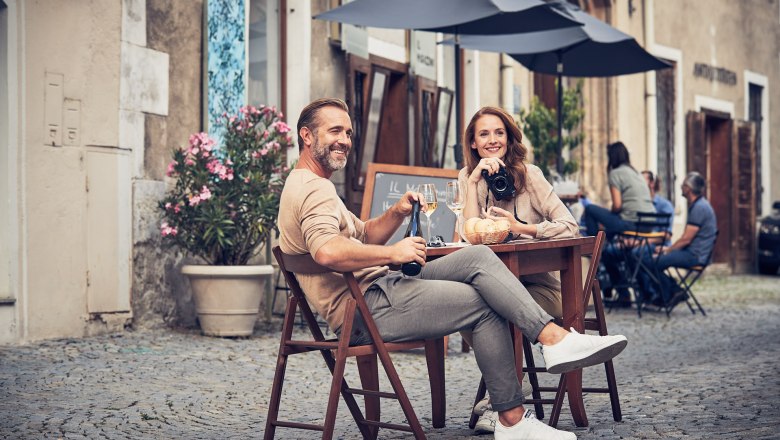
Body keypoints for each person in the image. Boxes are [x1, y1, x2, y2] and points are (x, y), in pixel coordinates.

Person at [279, 98, 628, 440]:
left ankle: (553, 340)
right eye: (335, 131)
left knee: (478, 258)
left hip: (378, 291)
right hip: (365, 307)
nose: (345, 140)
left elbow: (364, 233)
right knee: (483, 304)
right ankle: (512, 417)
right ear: (307, 136)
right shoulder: (314, 191)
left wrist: (397, 214)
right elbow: (327, 251)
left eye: (349, 132)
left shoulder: (314, 185)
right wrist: (392, 254)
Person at [458, 106, 580, 432]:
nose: (493, 140)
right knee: (465, 306)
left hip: (542, 287)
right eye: (484, 134)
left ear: (509, 137)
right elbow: (468, 233)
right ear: (473, 142)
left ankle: (502, 403)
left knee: (492, 311)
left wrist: (522, 228)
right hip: (496, 284)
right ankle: (510, 396)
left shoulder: (530, 175)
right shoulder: (466, 178)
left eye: (499, 132)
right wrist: (472, 183)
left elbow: (570, 226)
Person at [639, 171, 717, 308]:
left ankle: (672, 291)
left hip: (695, 256)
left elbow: (686, 239)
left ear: (688, 188)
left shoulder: (699, 207)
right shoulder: (700, 205)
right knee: (652, 260)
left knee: (649, 261)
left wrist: (667, 249)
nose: (681, 186)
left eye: (683, 184)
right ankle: (674, 290)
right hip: (694, 253)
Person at [600, 170, 676, 307]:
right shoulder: (633, 204)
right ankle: (623, 293)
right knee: (607, 251)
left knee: (636, 253)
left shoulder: (664, 206)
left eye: (642, 180)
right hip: (634, 243)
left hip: (654, 245)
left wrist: (638, 242)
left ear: (652, 184)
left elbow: (666, 236)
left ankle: (649, 293)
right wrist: (625, 240)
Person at [582, 142, 655, 238]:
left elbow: (617, 206)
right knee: (607, 229)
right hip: (649, 224)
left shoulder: (615, 173)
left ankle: (593, 249)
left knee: (590, 209)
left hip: (631, 223)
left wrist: (608, 214)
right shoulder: (637, 173)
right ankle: (605, 249)